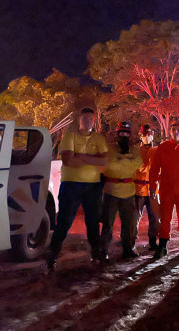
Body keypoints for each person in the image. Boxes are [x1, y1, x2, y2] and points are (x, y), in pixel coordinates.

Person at [47, 108, 108, 271]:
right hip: (71, 185)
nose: (88, 121)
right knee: (64, 222)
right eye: (85, 118)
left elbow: (105, 160)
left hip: (93, 186)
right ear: (79, 120)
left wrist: (80, 156)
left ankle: (96, 255)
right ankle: (51, 257)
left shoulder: (98, 138)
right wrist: (93, 159)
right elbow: (67, 160)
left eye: (91, 118)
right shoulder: (70, 136)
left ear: (93, 121)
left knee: (93, 223)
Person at [149, 121, 179, 259]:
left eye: (178, 129)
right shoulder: (163, 147)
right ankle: (162, 246)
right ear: (170, 132)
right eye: (173, 129)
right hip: (166, 189)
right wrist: (152, 186)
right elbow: (154, 168)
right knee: (165, 218)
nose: (176, 132)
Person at [99, 122, 143, 259]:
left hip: (128, 191)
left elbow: (138, 164)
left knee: (128, 224)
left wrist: (120, 160)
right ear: (117, 134)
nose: (124, 135)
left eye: (127, 133)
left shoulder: (134, 150)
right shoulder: (109, 149)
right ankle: (103, 251)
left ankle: (128, 249)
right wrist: (127, 161)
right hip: (111, 191)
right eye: (122, 133)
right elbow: (110, 164)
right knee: (107, 223)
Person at [134, 124, 160, 251]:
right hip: (138, 189)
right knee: (134, 217)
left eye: (149, 134)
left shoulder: (157, 150)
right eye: (145, 135)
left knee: (155, 217)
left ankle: (153, 241)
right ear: (141, 136)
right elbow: (138, 167)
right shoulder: (136, 151)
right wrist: (148, 163)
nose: (147, 137)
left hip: (153, 189)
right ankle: (130, 241)